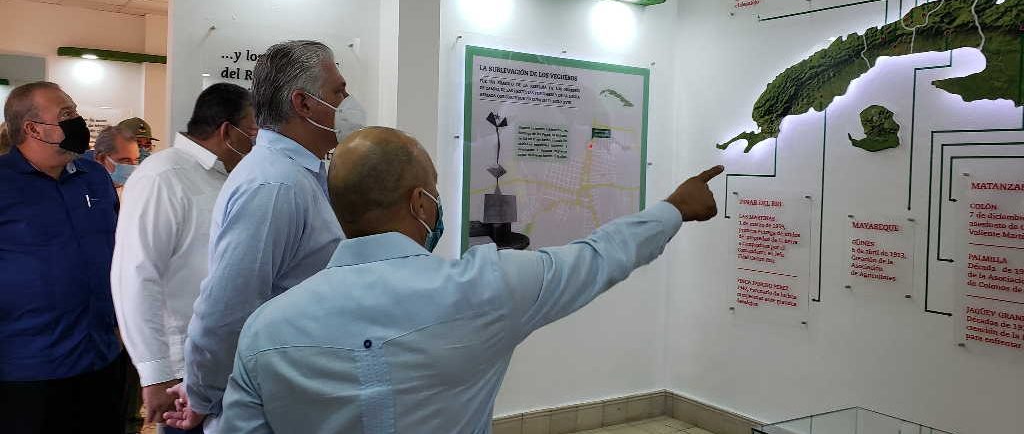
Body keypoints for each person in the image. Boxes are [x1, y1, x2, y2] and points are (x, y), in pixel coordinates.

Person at [214, 127, 722, 432]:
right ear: (419, 203)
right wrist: (675, 208)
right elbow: (599, 256)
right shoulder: (487, 287)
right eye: (432, 191)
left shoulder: (264, 331)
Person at [167, 40, 367, 432]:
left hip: (298, 394)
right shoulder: (274, 185)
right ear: (304, 103)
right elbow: (225, 310)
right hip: (268, 406)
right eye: (338, 91)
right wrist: (202, 394)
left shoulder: (302, 174)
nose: (349, 101)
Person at [111, 83, 256, 434]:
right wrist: (155, 373)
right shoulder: (164, 177)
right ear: (227, 132)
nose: (257, 143)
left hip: (225, 364)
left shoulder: (226, 178)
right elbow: (134, 276)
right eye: (252, 132)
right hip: (182, 372)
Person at [0, 81, 131, 434]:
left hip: (101, 360)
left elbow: (119, 252)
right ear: (32, 128)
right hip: (26, 373)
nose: (78, 122)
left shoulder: (95, 179)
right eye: (67, 115)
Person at [93, 125, 140, 192]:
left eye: (136, 160)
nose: (133, 166)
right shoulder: (84, 191)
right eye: (126, 161)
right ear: (101, 159)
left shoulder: (136, 190)